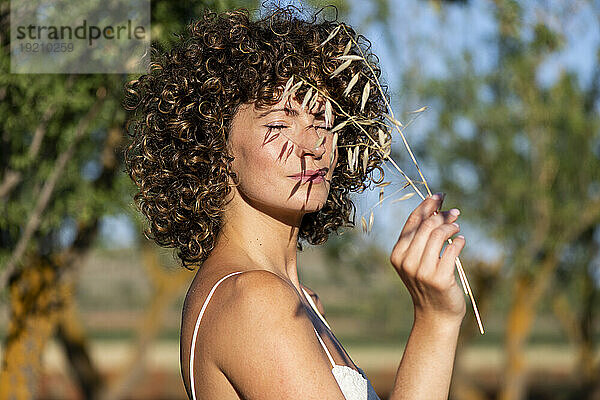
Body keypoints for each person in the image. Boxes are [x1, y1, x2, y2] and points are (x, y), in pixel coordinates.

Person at [123, 4, 466, 399]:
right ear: (213, 147)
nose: (313, 144)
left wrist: (441, 319)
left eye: (323, 120)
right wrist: (431, 322)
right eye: (278, 124)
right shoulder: (254, 300)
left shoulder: (289, 299)